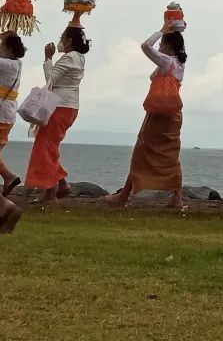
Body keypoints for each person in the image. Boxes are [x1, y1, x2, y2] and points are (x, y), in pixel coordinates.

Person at [104, 27, 188, 209]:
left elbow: (145, 46)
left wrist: (162, 30)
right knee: (170, 155)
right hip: (172, 115)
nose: (159, 45)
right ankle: (177, 197)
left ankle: (124, 195)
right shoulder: (179, 65)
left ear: (169, 45)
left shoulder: (167, 62)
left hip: (159, 114)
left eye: (162, 43)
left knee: (140, 151)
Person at [25, 26, 90, 207]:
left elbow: (51, 80)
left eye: (62, 37)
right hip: (69, 107)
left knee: (44, 146)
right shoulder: (79, 58)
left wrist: (47, 58)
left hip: (60, 107)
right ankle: (60, 184)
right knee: (49, 146)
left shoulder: (69, 58)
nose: (60, 40)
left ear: (68, 40)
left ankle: (51, 192)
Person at [0, 33, 26, 233]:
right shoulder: (16, 65)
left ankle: (5, 205)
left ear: (8, 48)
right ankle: (8, 177)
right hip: (6, 117)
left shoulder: (6, 65)